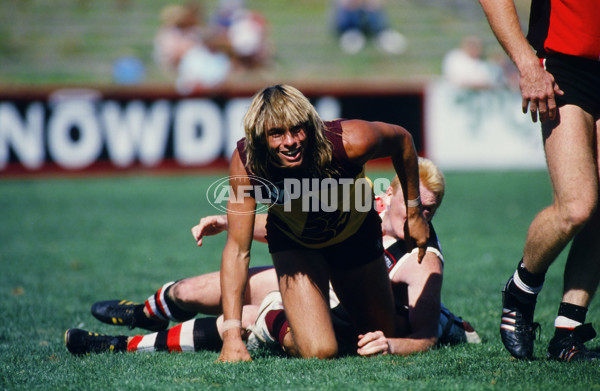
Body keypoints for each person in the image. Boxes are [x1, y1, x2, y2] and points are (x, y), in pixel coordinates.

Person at [65, 158, 480, 356]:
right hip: (319, 281)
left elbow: (423, 337)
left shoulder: (425, 259)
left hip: (338, 309)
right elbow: (296, 228)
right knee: (195, 289)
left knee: (245, 319)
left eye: (429, 210)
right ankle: (142, 312)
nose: (420, 215)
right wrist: (232, 224)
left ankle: (122, 346)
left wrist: (391, 344)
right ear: (388, 194)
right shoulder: (362, 199)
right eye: (413, 203)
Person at [217, 84, 429, 362]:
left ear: (311, 125)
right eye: (277, 133)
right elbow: (237, 249)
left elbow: (402, 139)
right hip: (295, 246)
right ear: (259, 138)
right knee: (319, 351)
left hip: (355, 235)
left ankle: (328, 315)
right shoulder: (248, 164)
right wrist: (232, 335)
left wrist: (414, 212)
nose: (290, 141)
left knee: (377, 337)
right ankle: (273, 317)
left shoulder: (350, 141)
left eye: (297, 129)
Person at [479, 0, 600, 362]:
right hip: (567, 65)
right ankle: (521, 288)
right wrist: (527, 62)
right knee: (577, 206)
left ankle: (568, 331)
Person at [333, 0, 407, 55]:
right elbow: (346, 4)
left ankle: (382, 35)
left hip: (372, 20)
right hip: (350, 23)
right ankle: (352, 35)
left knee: (373, 10)